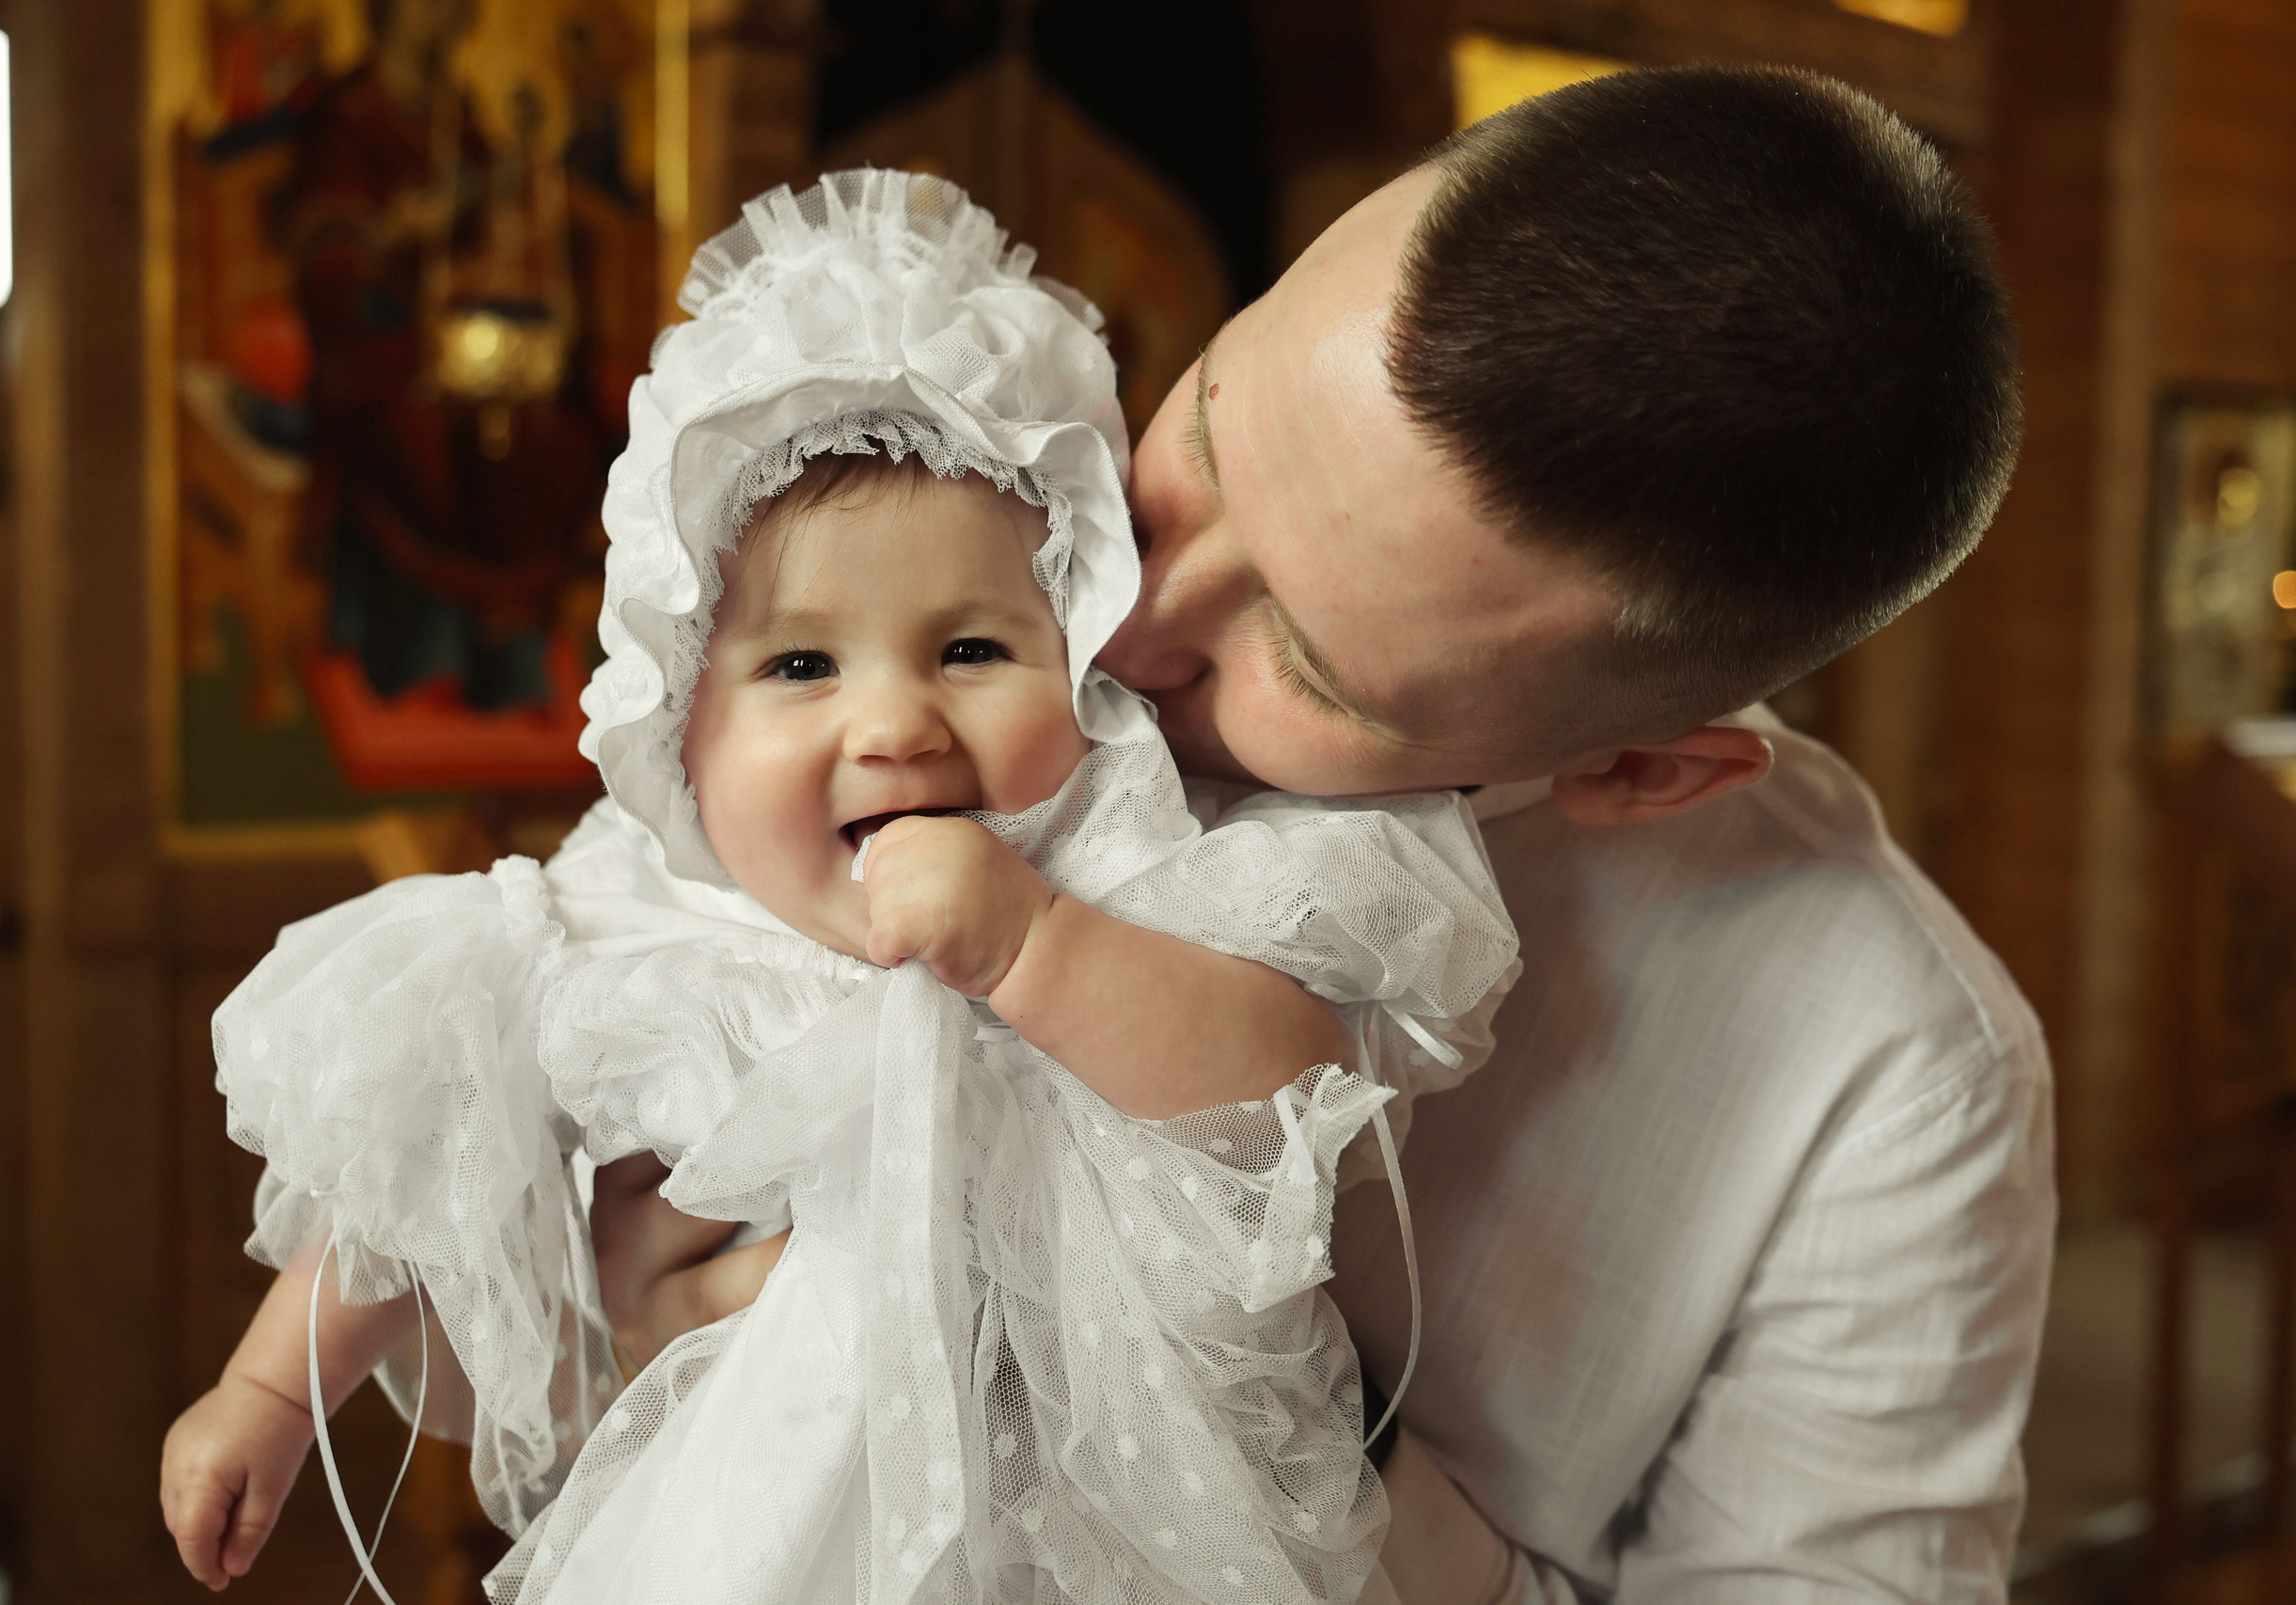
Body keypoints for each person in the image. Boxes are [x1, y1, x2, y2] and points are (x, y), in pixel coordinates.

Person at [595, 66, 2053, 1603]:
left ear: (1640, 770)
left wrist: (1286, 1415)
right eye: (1204, 441)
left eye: (1303, 661)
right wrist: (640, 1308)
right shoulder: (964, 549)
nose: (1125, 619)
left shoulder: (1904, 1077)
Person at [161, 171, 1520, 1604]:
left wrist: (1035, 946)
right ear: (676, 721)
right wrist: (268, 1392)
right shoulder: (638, 915)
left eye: (972, 651)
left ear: (1086, 657)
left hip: (1118, 1525)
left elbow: (1285, 1092)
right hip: (751, 1524)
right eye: (801, 666)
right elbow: (422, 1152)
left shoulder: (1130, 870)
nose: (895, 725)